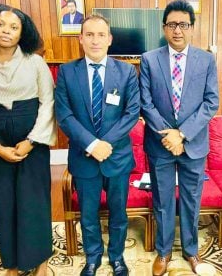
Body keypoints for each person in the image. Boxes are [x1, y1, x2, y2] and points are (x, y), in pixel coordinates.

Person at [0, 4, 56, 276]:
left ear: (22, 33)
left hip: (32, 142)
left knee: (35, 201)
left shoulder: (35, 62)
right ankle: (12, 264)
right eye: (1, 25)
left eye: (14, 27)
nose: (7, 31)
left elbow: (48, 103)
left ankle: (41, 260)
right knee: (4, 203)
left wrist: (32, 140)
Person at [55, 14, 140, 276]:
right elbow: (64, 114)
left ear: (110, 39)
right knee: (88, 215)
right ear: (80, 39)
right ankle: (92, 257)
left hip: (117, 157)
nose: (95, 40)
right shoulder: (67, 72)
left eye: (101, 35)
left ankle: (117, 257)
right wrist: (92, 144)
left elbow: (132, 112)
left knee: (118, 214)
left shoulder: (126, 71)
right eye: (89, 35)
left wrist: (105, 143)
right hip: (84, 157)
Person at [139, 0, 219, 276]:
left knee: (191, 200)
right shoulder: (149, 59)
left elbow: (211, 103)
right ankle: (163, 252)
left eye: (183, 25)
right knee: (161, 200)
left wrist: (182, 134)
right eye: (172, 24)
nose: (177, 31)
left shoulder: (206, 60)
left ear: (192, 28)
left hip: (193, 144)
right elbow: (145, 103)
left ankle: (191, 251)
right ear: (164, 27)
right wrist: (168, 135)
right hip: (160, 144)